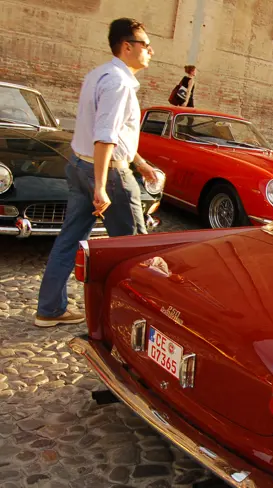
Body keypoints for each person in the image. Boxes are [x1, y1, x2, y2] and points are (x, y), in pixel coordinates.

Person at [35, 18, 158, 328]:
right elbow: (104, 137)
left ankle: (49, 309)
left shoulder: (98, 74)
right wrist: (101, 187)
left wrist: (139, 162)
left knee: (69, 239)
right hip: (108, 175)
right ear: (127, 46)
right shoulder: (120, 84)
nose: (151, 51)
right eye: (146, 45)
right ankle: (134, 319)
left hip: (80, 165)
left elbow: (112, 132)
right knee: (135, 248)